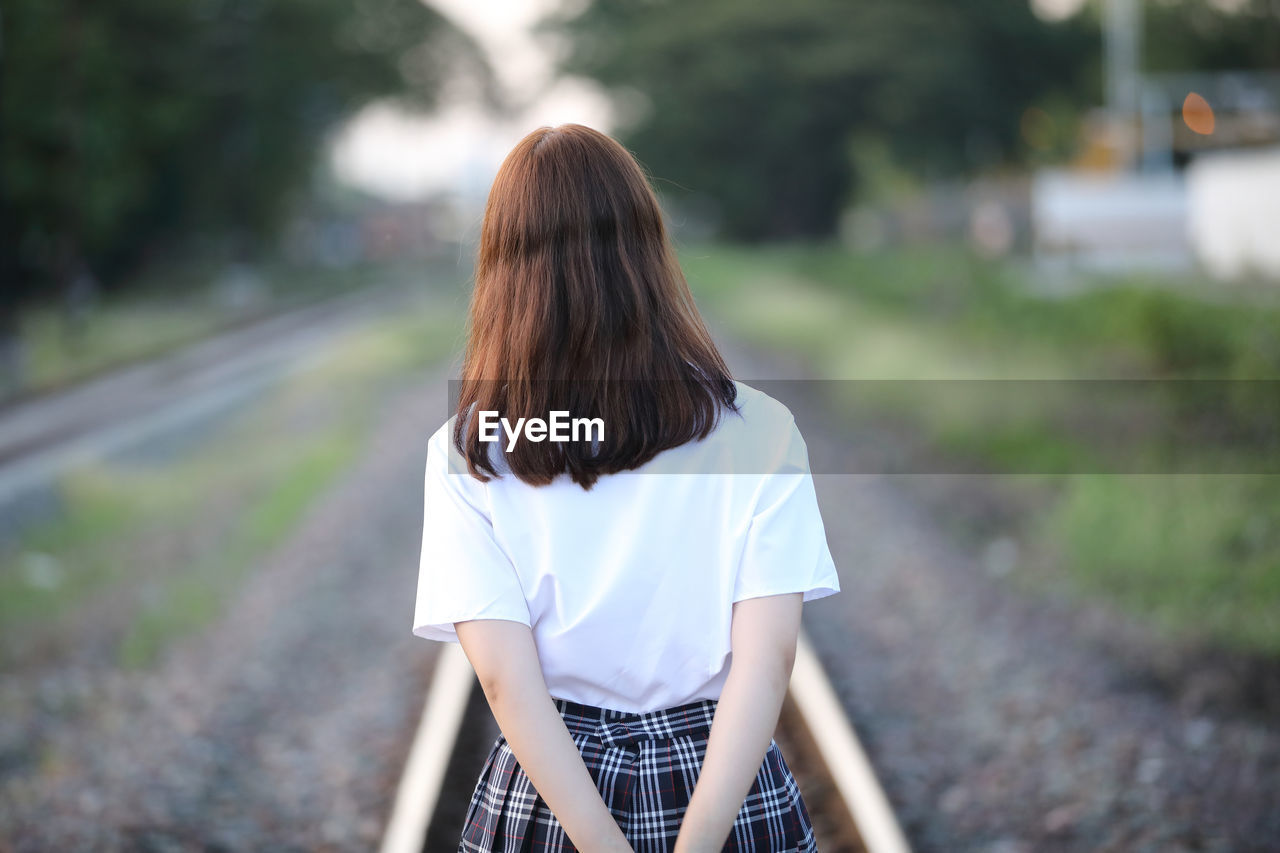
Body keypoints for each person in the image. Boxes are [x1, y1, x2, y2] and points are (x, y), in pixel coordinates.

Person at [412, 123, 840, 853]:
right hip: (726, 787)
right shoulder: (761, 431)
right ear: (646, 252)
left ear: (503, 267)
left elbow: (504, 682)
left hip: (551, 800)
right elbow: (766, 664)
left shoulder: (470, 450)